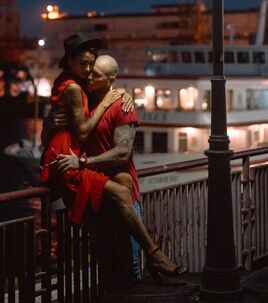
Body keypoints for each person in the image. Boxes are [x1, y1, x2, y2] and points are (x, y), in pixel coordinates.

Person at [40, 33, 186, 282]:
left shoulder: (118, 104)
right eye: (85, 66)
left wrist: (111, 101)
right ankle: (156, 255)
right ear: (70, 62)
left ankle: (153, 258)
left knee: (130, 265)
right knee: (108, 264)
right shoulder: (80, 90)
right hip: (83, 175)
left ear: (111, 80)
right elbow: (66, 133)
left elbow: (121, 153)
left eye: (93, 70)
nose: (88, 73)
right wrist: (48, 123)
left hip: (103, 181)